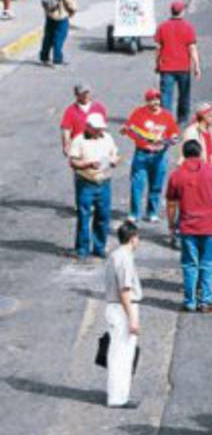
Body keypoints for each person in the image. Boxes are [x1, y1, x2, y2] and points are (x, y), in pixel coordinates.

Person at [166, 139, 212, 312]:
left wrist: (171, 224)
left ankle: (189, 301)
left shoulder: (176, 175)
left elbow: (171, 204)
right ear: (201, 153)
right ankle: (207, 301)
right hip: (210, 226)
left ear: (184, 155)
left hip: (188, 227)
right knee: (209, 263)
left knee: (189, 264)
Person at [121, 88, 180, 222]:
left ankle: (152, 212)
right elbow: (129, 129)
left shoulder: (167, 116)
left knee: (156, 184)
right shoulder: (139, 113)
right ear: (147, 101)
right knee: (137, 184)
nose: (155, 102)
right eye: (152, 99)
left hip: (160, 155)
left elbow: (174, 136)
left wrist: (166, 141)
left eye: (157, 99)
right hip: (142, 154)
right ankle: (134, 213)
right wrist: (126, 130)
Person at [68, 112, 119, 259]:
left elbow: (115, 154)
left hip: (104, 182)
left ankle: (99, 247)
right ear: (88, 127)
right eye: (96, 129)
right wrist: (87, 164)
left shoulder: (107, 138)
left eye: (100, 128)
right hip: (86, 183)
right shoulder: (79, 140)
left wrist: (114, 160)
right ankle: (82, 249)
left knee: (103, 216)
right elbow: (73, 162)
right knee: (84, 216)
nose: (99, 131)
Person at [103, 220, 142, 409]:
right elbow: (125, 291)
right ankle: (118, 397)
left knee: (116, 353)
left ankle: (116, 393)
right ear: (133, 238)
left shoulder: (115, 255)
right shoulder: (125, 258)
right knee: (122, 355)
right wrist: (133, 319)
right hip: (123, 309)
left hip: (114, 307)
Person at [156, 0, 201, 123]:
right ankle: (182, 119)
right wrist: (197, 66)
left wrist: (157, 63)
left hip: (166, 67)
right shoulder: (188, 27)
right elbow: (192, 48)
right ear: (182, 12)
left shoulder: (162, 27)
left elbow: (158, 48)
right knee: (184, 95)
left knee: (166, 96)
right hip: (183, 68)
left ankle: (166, 120)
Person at [38, 0, 76, 66]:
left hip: (49, 11)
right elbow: (68, 0)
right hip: (61, 13)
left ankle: (44, 56)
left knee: (48, 35)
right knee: (60, 36)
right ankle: (57, 58)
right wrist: (72, 10)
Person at [60, 82, 108, 156]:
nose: (86, 95)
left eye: (87, 92)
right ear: (77, 95)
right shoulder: (70, 111)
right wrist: (66, 145)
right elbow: (66, 130)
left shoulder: (99, 108)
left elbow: (103, 128)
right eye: (82, 93)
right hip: (79, 147)